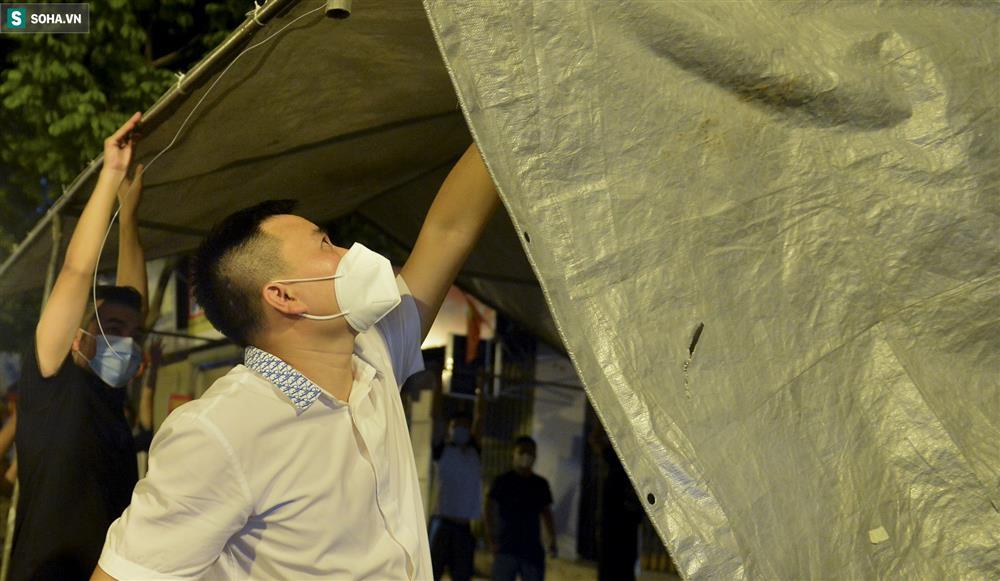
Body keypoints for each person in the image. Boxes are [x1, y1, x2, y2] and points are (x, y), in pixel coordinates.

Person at [93, 141, 499, 580]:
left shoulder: (375, 355)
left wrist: (504, 112)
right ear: (284, 296)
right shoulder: (220, 430)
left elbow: (448, 230)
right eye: (325, 244)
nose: (349, 253)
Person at [10, 114, 148, 581]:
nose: (124, 341)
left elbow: (133, 299)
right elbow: (75, 273)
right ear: (77, 337)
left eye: (133, 333)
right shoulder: (53, 383)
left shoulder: (111, 398)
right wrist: (111, 174)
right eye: (112, 327)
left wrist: (129, 220)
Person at [429, 381, 486, 581]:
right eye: (456, 426)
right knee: (431, 573)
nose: (460, 429)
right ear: (449, 429)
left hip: (463, 527)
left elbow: (480, 417)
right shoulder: (442, 449)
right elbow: (436, 416)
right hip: (441, 524)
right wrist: (437, 386)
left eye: (464, 426)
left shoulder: (474, 451)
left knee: (462, 575)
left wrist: (481, 388)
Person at [486, 436, 557, 581]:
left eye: (530, 452)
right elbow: (488, 509)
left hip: (532, 549)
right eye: (522, 451)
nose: (526, 456)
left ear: (535, 456)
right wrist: (491, 538)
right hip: (506, 547)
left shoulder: (540, 484)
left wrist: (552, 540)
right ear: (514, 453)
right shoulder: (502, 481)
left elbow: (546, 514)